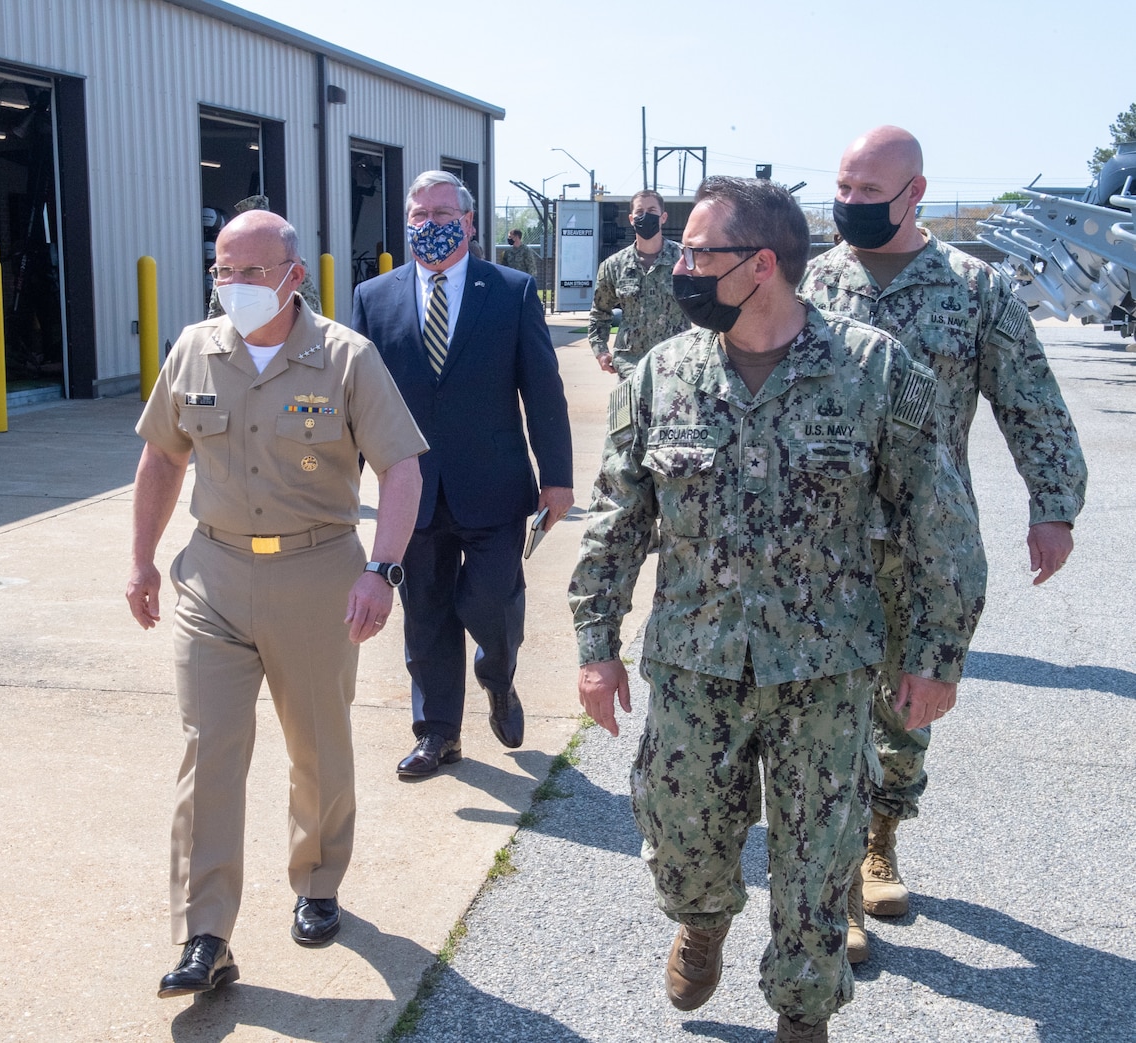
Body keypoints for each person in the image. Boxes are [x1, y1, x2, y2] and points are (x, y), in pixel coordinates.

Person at [570, 176, 986, 1043]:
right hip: (695, 665)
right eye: (678, 248)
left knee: (818, 864)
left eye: (697, 251)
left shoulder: (874, 371)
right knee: (682, 839)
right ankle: (704, 915)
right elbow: (617, 518)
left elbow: (939, 519)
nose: (678, 265)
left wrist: (937, 655)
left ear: (762, 265)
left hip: (825, 673)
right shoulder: (662, 375)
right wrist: (596, 644)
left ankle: (803, 1011)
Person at [801, 126, 1087, 962]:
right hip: (825, 539)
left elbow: (1029, 398)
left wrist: (1054, 506)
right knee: (829, 709)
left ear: (915, 192)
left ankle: (883, 834)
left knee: (910, 704)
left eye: (868, 192)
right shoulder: (813, 280)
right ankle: (839, 879)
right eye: (842, 189)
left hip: (930, 540)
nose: (850, 205)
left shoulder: (975, 290)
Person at [127, 210, 426, 998]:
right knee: (209, 747)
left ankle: (318, 880)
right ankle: (204, 933)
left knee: (318, 744)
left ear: (293, 275)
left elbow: (401, 469)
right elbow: (161, 457)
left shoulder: (346, 358)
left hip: (318, 575)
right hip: (213, 576)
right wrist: (141, 561)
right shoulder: (196, 348)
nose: (232, 286)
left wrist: (383, 570)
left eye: (250, 272)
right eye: (222, 271)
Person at [351, 170, 574, 778]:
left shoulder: (512, 289)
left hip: (494, 484)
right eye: (419, 215)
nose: (430, 224)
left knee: (494, 604)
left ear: (470, 222)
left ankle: (498, 677)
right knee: (426, 613)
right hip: (411, 491)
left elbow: (543, 391)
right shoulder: (374, 298)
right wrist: (345, 479)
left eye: (443, 213)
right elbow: (357, 397)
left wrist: (557, 477)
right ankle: (438, 734)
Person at [587, 189, 690, 379]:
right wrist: (600, 351)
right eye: (640, 212)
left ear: (663, 217)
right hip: (631, 366)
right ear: (631, 219)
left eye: (652, 210)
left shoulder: (685, 259)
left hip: (677, 364)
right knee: (628, 411)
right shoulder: (614, 265)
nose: (645, 216)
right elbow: (599, 313)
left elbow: (707, 308)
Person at [207, 195, 322, 317]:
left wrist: (312, 328)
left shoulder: (288, 261)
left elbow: (309, 300)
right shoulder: (228, 264)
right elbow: (217, 305)